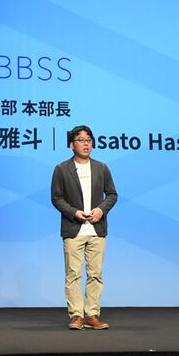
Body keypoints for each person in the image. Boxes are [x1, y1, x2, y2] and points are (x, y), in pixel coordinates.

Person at [51, 125, 118, 330]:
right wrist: (74, 213)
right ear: (72, 145)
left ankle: (92, 315)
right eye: (80, 140)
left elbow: (112, 194)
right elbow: (56, 198)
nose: (86, 144)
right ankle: (76, 315)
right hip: (73, 229)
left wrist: (101, 210)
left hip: (97, 229)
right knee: (73, 274)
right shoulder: (62, 169)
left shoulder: (101, 168)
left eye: (88, 140)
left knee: (95, 274)